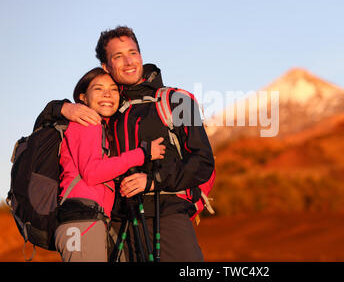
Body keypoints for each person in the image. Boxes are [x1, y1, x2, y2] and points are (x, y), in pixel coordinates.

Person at [36, 26, 215, 262]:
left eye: (133, 53)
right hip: (117, 223)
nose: (128, 61)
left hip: (168, 214)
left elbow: (203, 161)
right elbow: (43, 126)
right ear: (106, 67)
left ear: (141, 55)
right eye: (118, 56)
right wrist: (61, 107)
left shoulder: (179, 100)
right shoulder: (104, 107)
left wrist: (153, 181)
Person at [54, 67, 165, 262]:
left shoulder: (101, 128)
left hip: (87, 220)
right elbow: (92, 172)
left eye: (113, 89)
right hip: (81, 221)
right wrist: (142, 154)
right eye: (98, 88)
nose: (107, 94)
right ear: (83, 98)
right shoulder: (87, 122)